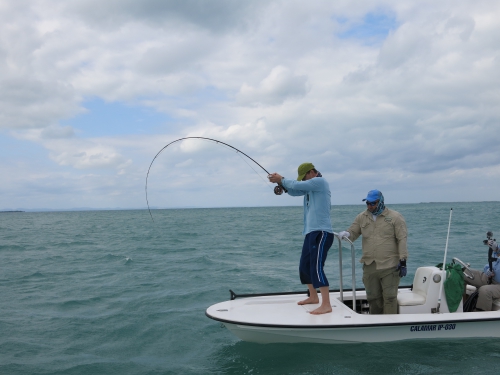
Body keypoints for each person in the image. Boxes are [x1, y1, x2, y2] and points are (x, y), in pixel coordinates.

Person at [268, 162, 334, 315]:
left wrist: (282, 178)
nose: (303, 181)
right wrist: (281, 184)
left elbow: (296, 185)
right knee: (304, 266)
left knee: (317, 268)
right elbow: (294, 190)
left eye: (304, 177)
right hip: (310, 232)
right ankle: (313, 297)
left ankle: (326, 304)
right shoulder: (310, 188)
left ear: (311, 172)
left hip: (322, 232)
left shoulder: (320, 182)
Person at [338, 190, 408, 314]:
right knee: (373, 298)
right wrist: (347, 234)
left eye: (373, 203)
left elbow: (402, 239)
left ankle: (389, 326)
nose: (370, 206)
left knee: (390, 298)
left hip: (390, 266)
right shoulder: (361, 217)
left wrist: (403, 261)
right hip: (370, 265)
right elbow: (353, 232)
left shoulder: (395, 217)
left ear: (381, 202)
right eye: (368, 203)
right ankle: (376, 324)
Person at [463, 239, 500, 311]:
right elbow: (493, 262)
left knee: (484, 291)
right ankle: (459, 307)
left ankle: (480, 318)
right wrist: (496, 249)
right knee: (464, 273)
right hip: (490, 278)